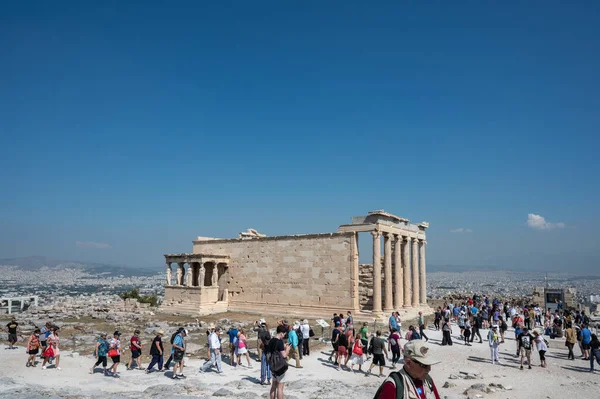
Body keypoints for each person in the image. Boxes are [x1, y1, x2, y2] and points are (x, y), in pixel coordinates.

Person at [373, 340, 441, 399]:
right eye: (424, 365)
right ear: (409, 363)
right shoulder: (392, 386)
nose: (429, 369)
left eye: (429, 364)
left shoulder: (427, 380)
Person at [267, 325, 291, 399]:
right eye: (284, 334)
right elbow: (284, 355)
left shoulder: (271, 340)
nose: (284, 336)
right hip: (280, 367)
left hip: (273, 366)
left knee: (273, 386)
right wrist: (288, 349)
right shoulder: (280, 342)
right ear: (281, 333)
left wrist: (283, 346)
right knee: (280, 387)